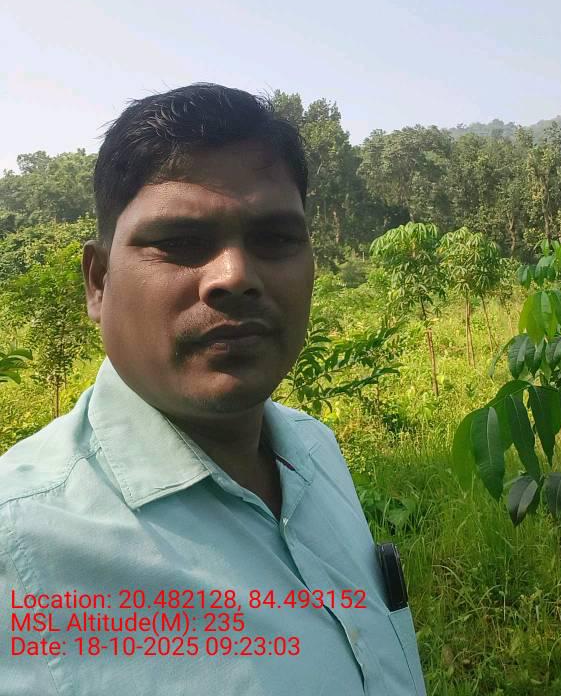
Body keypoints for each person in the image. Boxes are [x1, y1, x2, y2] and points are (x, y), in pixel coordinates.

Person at [0, 83, 426, 694]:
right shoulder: (22, 545)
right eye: (179, 244)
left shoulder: (315, 451)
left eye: (275, 239)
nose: (235, 276)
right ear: (98, 282)